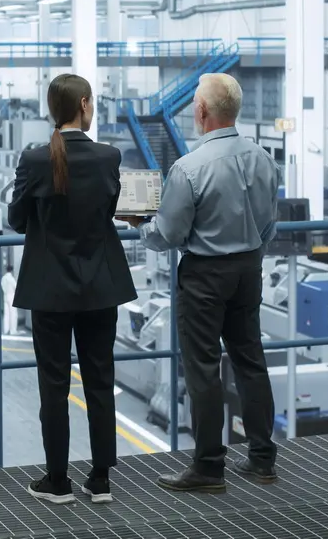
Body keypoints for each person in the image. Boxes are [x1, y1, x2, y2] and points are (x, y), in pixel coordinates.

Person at [131, 72, 280, 493]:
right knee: (250, 361)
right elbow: (270, 225)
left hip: (205, 278)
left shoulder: (189, 168)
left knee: (203, 368)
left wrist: (141, 224)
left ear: (200, 111)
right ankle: (262, 459)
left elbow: (168, 236)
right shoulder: (264, 158)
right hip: (249, 270)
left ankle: (209, 467)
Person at [9, 73, 137, 505]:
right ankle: (100, 480)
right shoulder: (109, 156)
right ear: (84, 105)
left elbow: (16, 219)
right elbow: (113, 208)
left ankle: (58, 481)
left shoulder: (35, 159)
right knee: (100, 381)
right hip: (100, 288)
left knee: (54, 385)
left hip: (50, 291)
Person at [1, 264, 20, 335]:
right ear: (12, 270)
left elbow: (2, 286)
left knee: (6, 314)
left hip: (5, 296)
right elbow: (16, 287)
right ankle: (13, 330)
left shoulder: (3, 278)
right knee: (13, 314)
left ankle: (6, 330)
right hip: (11, 296)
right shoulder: (11, 279)